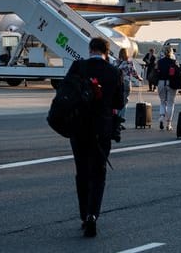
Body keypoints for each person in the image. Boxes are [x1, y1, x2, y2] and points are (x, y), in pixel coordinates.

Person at [66, 37, 124, 237]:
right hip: (102, 129)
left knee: (81, 172)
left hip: (79, 127)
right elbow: (119, 103)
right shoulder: (114, 71)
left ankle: (84, 215)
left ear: (90, 49)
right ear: (106, 52)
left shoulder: (77, 66)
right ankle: (93, 215)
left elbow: (65, 93)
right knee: (98, 173)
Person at [116, 47, 143, 127]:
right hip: (126, 83)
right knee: (125, 101)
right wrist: (139, 78)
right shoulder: (129, 62)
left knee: (117, 101)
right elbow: (133, 72)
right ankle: (121, 118)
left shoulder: (116, 62)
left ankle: (117, 119)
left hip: (118, 84)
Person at [156, 46, 178, 130]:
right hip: (171, 83)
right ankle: (168, 123)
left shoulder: (160, 62)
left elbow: (157, 72)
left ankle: (162, 116)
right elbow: (177, 73)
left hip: (161, 82)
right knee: (170, 103)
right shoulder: (174, 62)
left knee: (162, 101)